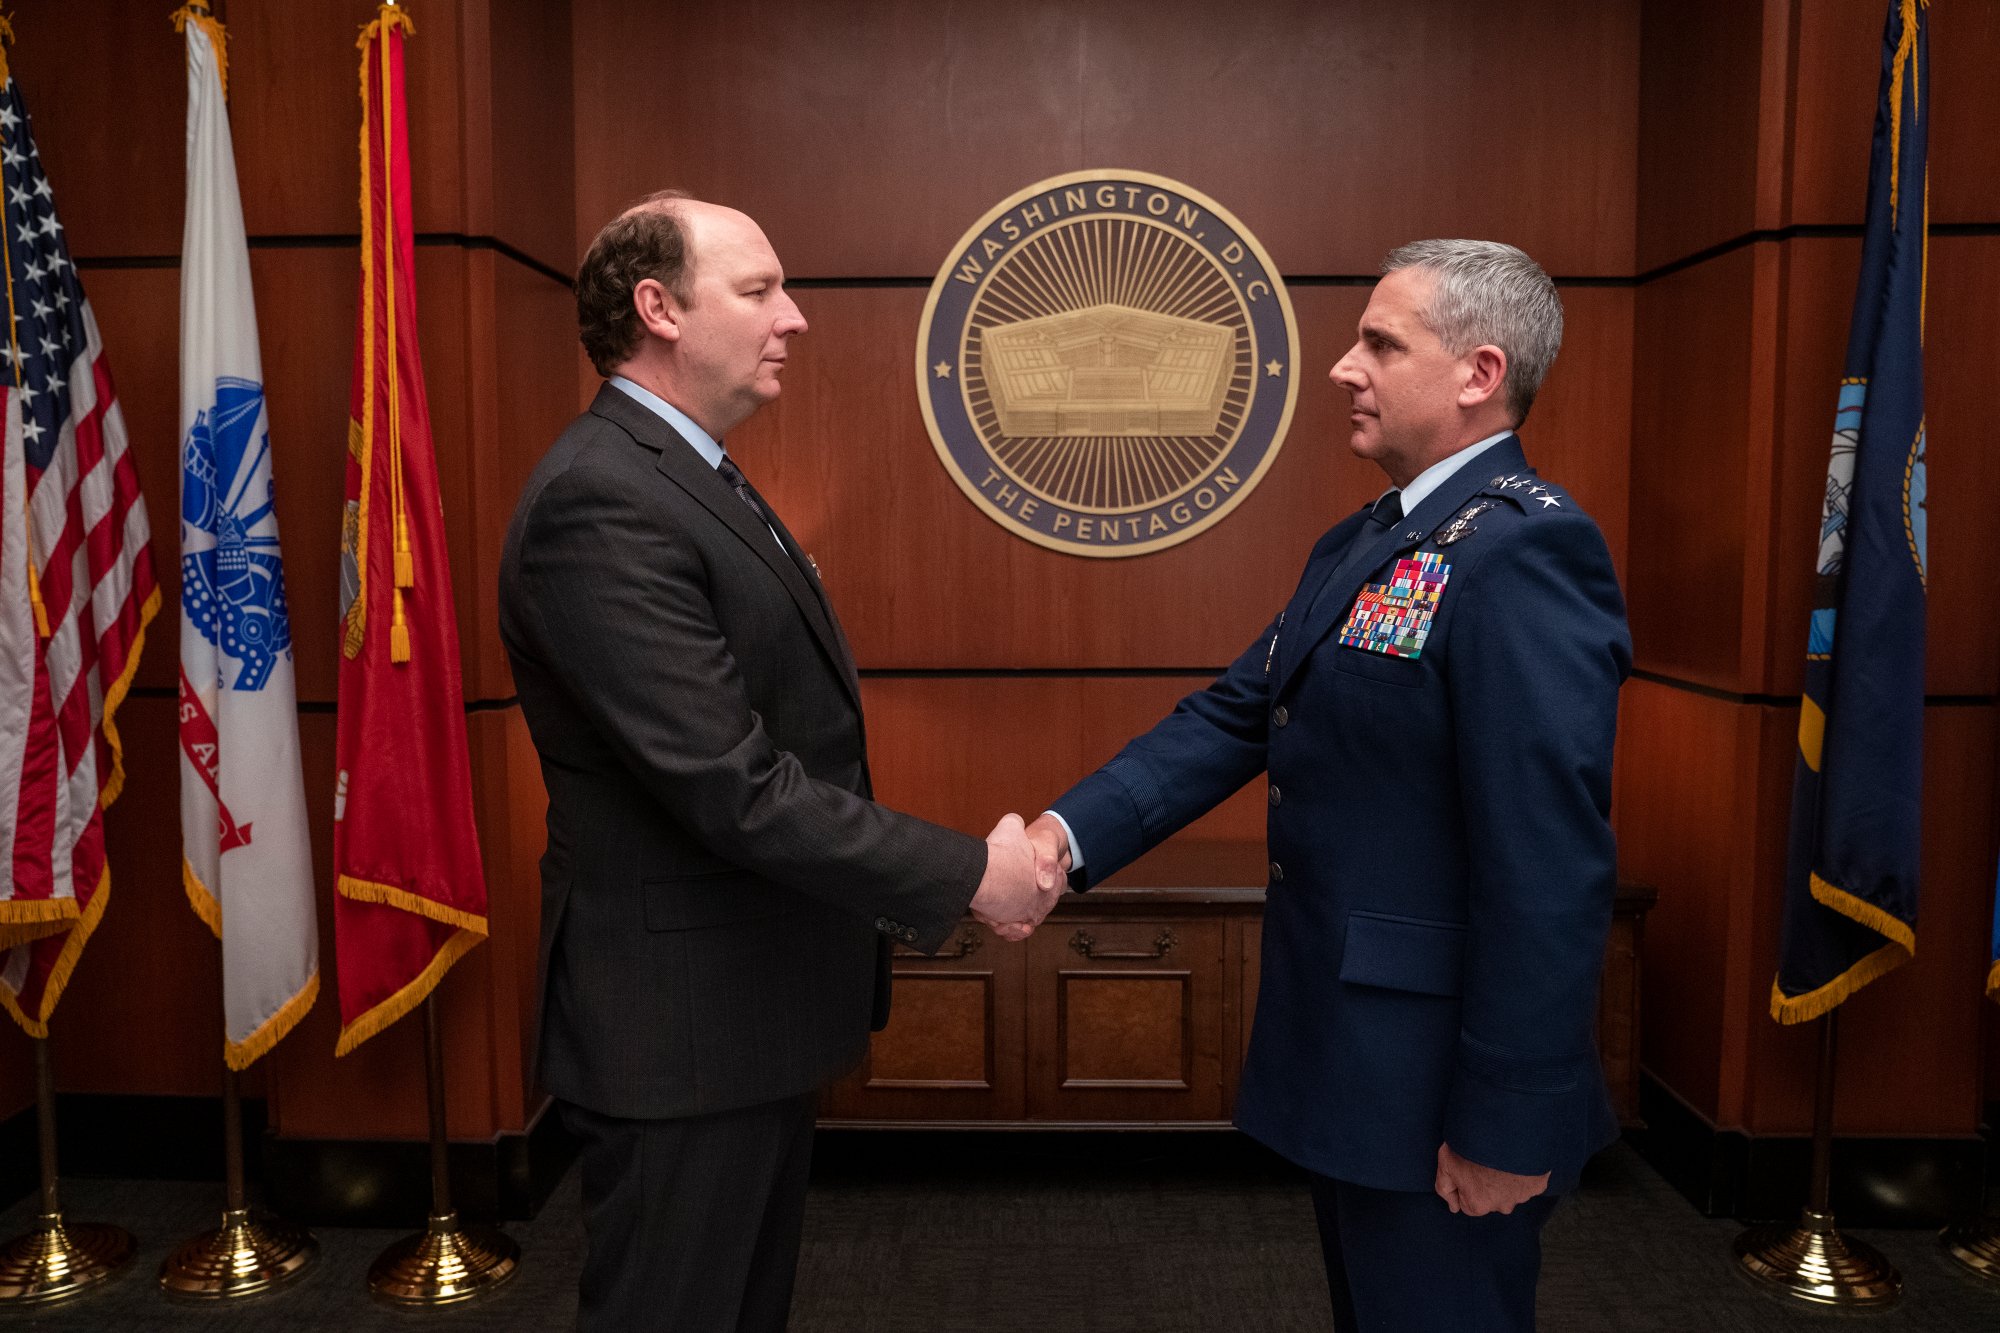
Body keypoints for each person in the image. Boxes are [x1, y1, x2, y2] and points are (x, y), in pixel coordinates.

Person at [1029, 239, 1631, 1332]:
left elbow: (1547, 866)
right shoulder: (1366, 541)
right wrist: (1060, 840)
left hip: (1446, 1085)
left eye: (1378, 342)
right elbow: (1232, 713)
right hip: (1359, 1066)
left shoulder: (1527, 555)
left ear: (1478, 373)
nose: (1342, 367)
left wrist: (1506, 1119)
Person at [498, 192, 1059, 1333]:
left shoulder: (689, 472)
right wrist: (969, 873)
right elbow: (733, 786)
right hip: (678, 1029)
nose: (793, 318)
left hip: (733, 1015)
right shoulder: (602, 499)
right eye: (758, 291)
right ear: (657, 308)